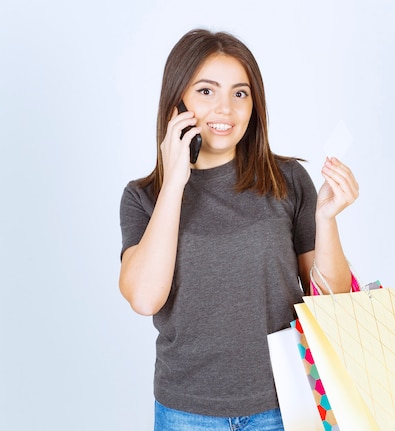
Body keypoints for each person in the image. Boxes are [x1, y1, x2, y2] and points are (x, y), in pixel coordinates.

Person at [118, 28, 359, 431]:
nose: (225, 109)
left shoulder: (286, 179)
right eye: (207, 92)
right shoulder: (144, 197)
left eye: (240, 93)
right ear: (177, 101)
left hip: (285, 404)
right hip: (185, 411)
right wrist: (176, 182)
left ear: (254, 104)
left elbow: (334, 298)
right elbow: (144, 298)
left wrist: (326, 220)